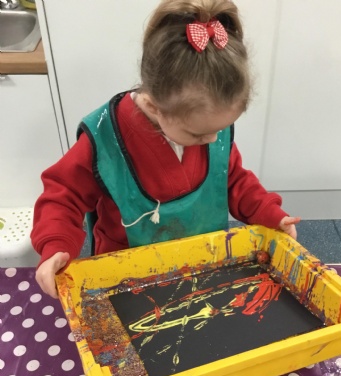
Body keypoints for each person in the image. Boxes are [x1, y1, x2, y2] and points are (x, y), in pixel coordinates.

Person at [31, 0, 300, 299]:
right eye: (198, 134)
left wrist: (269, 213)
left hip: (203, 263)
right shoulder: (105, 137)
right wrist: (55, 245)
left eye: (221, 129)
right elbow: (63, 196)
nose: (213, 140)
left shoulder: (209, 128)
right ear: (152, 106)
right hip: (126, 277)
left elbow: (233, 178)